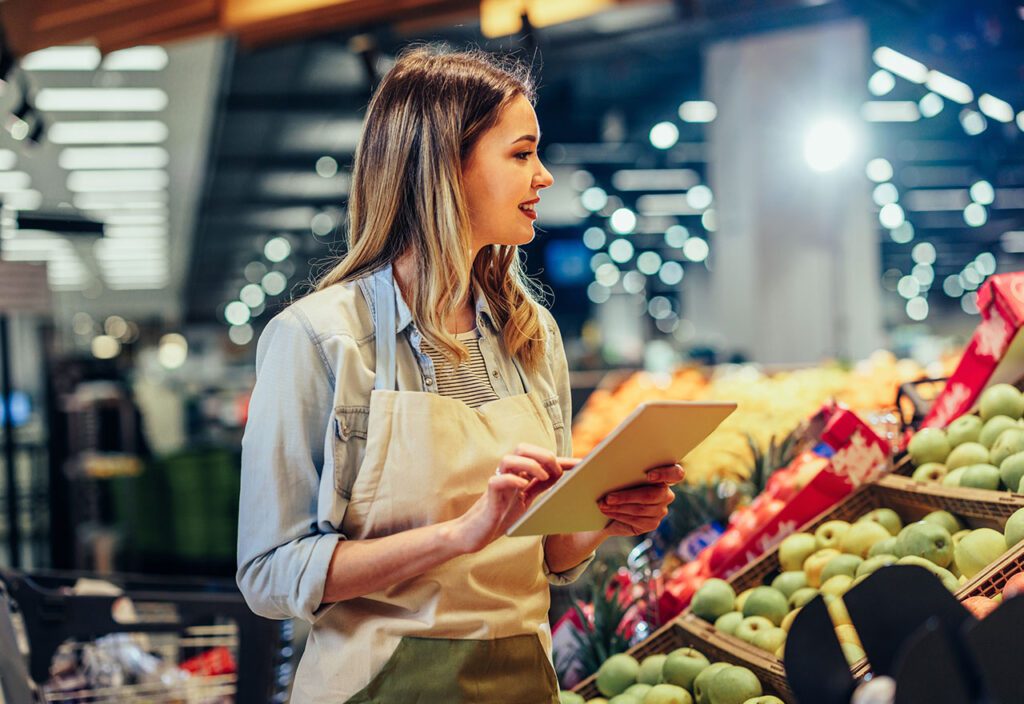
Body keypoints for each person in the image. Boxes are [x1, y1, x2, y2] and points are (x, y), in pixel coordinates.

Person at [236, 46, 684, 703]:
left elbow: (550, 555)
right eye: (522, 153)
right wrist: (459, 535)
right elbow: (269, 574)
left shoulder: (530, 336)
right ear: (447, 164)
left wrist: (605, 516)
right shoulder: (320, 340)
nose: (545, 177)